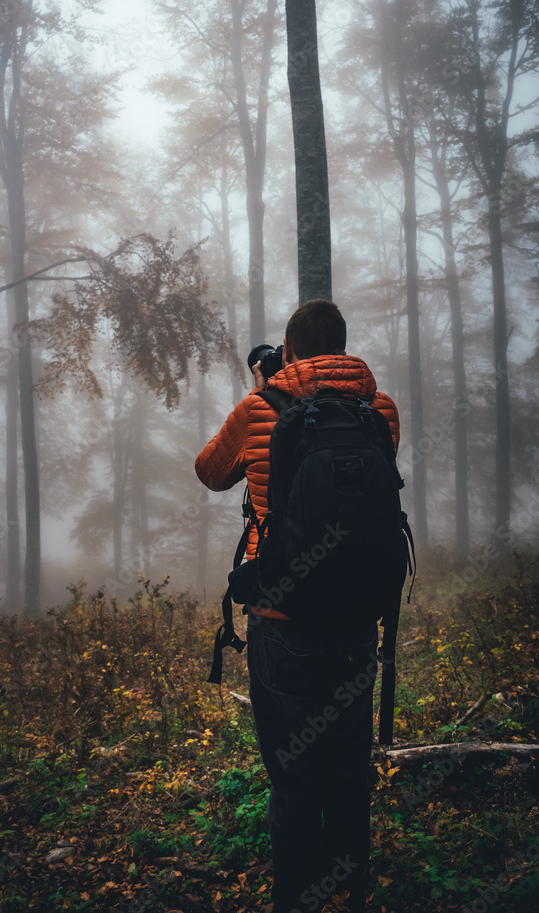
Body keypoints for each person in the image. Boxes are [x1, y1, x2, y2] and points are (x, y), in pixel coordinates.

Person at [194, 299, 400, 913]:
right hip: (360, 616)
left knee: (293, 772)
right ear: (341, 348)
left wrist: (263, 392)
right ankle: (350, 888)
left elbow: (210, 472)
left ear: (288, 351)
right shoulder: (379, 409)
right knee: (347, 762)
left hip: (282, 618)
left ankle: (297, 898)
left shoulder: (259, 409)